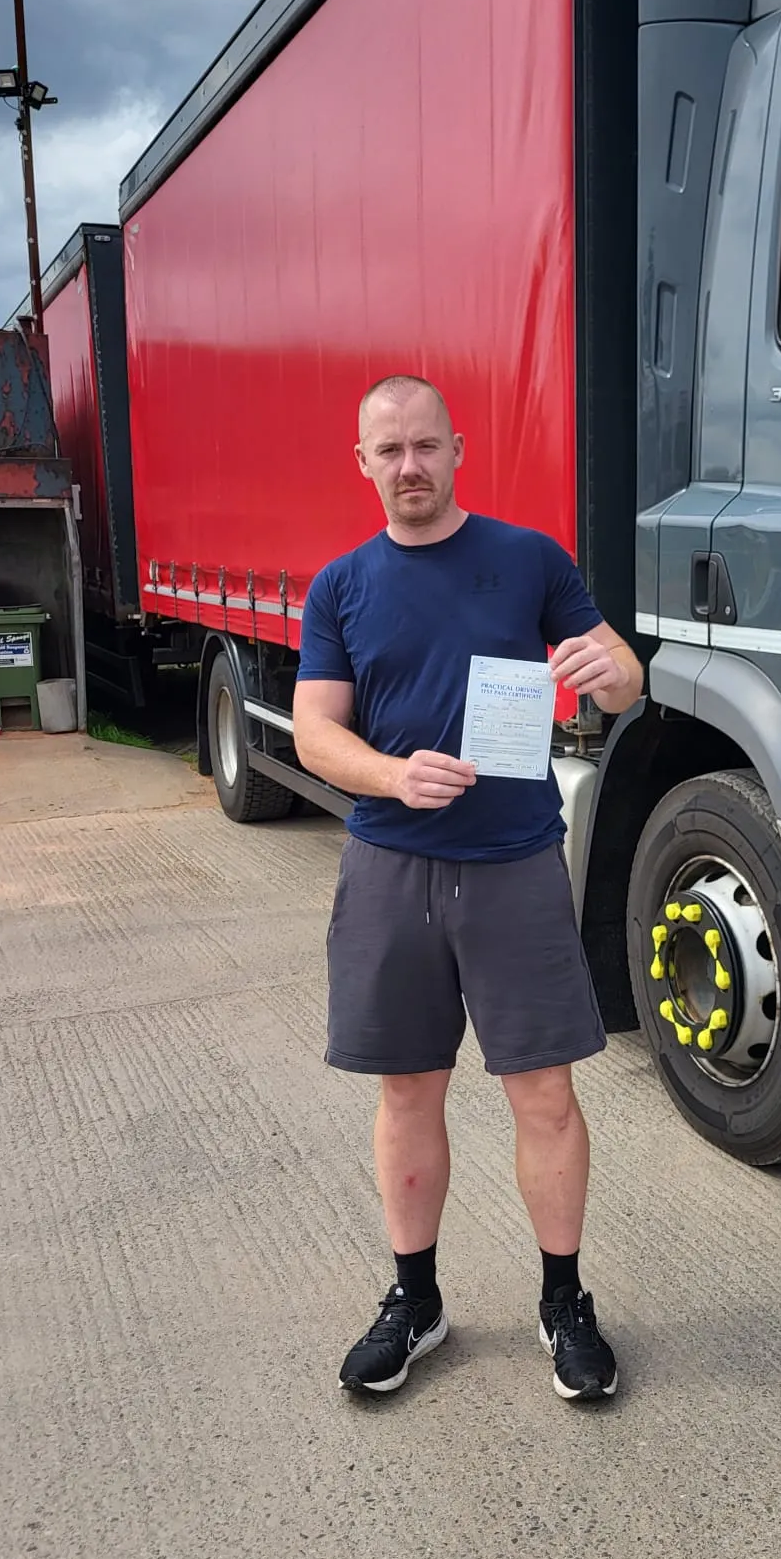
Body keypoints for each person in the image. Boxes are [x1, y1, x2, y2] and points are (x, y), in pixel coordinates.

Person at [292, 375, 643, 1402]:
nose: (409, 466)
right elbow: (317, 731)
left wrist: (609, 664)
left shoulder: (528, 558)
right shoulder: (341, 586)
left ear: (458, 449)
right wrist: (395, 774)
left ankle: (564, 1300)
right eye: (388, 450)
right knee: (408, 1086)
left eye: (425, 447)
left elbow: (622, 679)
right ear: (362, 462)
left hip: (515, 862)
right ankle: (417, 1299)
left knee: (545, 1091)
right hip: (391, 863)